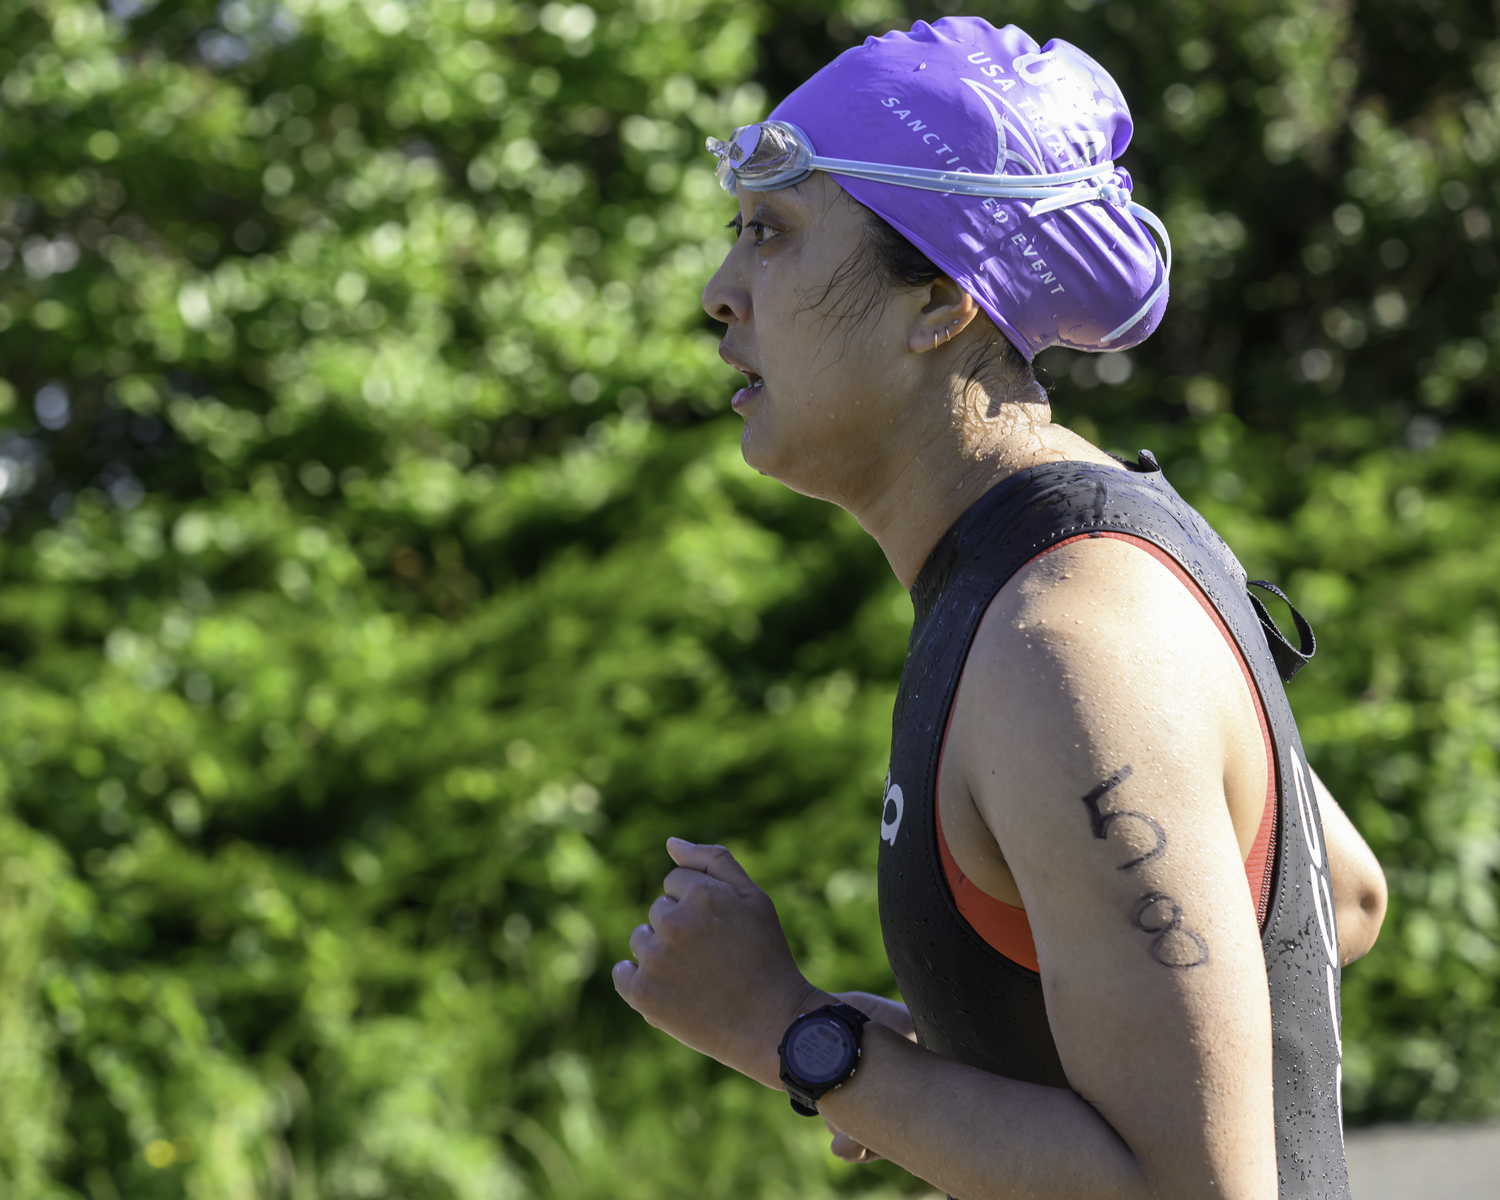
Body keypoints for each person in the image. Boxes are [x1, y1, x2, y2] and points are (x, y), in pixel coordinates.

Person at [612, 17, 1388, 1200]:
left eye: (771, 235)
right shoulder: (1083, 552)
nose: (721, 294)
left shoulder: (1068, 640)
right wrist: (983, 1062)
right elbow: (1337, 897)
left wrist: (793, 1031)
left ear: (938, 300)